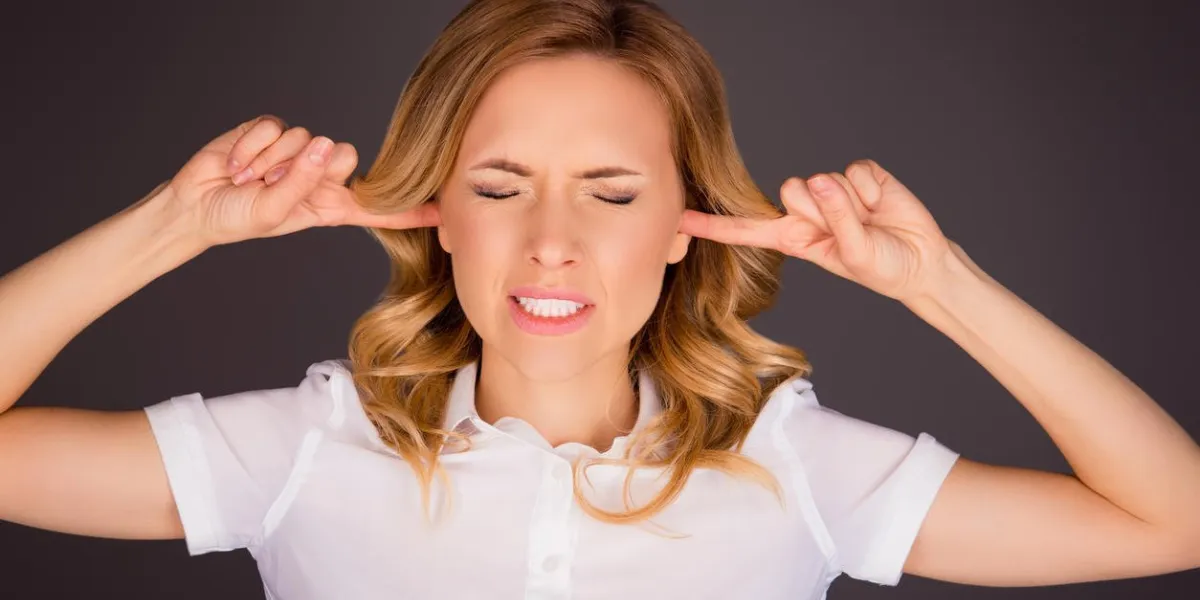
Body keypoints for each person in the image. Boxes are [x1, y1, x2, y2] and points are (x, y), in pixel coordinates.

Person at [1, 0, 1198, 598]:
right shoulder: (308, 447)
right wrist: (175, 224)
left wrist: (941, 286)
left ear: (685, 224)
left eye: (613, 194)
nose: (552, 245)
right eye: (499, 186)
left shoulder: (793, 466)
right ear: (437, 208)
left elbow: (1173, 520)